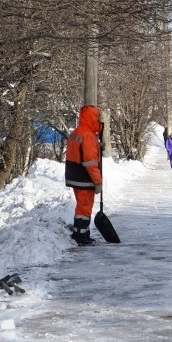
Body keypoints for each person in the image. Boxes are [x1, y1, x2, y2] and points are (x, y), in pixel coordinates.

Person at [65, 104, 103, 246]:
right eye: (97, 118)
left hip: (75, 175)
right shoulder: (88, 136)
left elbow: (79, 152)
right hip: (84, 177)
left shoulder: (77, 132)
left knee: (82, 206)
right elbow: (90, 162)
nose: (99, 121)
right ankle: (80, 236)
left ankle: (83, 233)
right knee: (84, 207)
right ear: (92, 118)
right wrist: (97, 182)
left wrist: (98, 146)